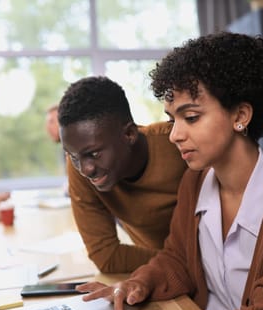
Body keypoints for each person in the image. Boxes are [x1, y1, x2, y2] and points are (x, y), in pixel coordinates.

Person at [47, 32, 263, 310]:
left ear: (240, 116)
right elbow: (179, 260)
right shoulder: (196, 180)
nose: (175, 134)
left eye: (191, 117)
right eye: (172, 119)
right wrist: (140, 282)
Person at [57, 76, 188, 273]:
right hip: (163, 275)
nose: (85, 169)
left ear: (129, 134)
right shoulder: (82, 165)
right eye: (74, 156)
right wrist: (177, 265)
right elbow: (106, 256)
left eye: (94, 154)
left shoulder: (179, 146)